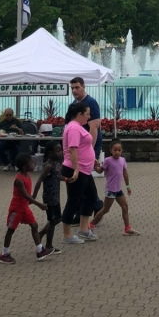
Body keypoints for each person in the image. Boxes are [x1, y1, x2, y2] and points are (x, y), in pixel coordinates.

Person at [0, 154, 53, 264]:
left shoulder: (27, 175)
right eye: (31, 163)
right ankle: (4, 254)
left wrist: (32, 198)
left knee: (34, 225)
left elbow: (28, 196)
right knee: (11, 230)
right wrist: (38, 204)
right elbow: (25, 196)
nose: (34, 165)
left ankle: (39, 250)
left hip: (25, 208)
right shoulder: (19, 180)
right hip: (16, 209)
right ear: (24, 167)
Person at [61, 102, 100, 245]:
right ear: (79, 114)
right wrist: (76, 169)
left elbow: (83, 147)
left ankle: (84, 229)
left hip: (85, 169)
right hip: (76, 170)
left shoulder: (78, 127)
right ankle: (67, 234)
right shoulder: (73, 128)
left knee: (91, 197)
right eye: (87, 114)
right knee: (74, 200)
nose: (89, 117)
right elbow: (72, 149)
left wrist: (92, 158)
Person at [89, 141, 138, 235]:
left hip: (118, 189)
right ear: (111, 150)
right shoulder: (108, 160)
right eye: (115, 150)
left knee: (125, 207)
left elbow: (125, 173)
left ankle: (127, 228)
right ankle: (91, 225)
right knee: (105, 209)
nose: (117, 152)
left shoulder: (122, 160)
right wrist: (96, 166)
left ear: (122, 150)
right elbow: (100, 171)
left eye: (119, 150)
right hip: (110, 190)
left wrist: (128, 186)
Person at [33, 141, 63, 252]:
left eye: (61, 150)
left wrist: (66, 179)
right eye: (58, 151)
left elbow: (57, 176)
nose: (60, 153)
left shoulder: (57, 163)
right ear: (50, 153)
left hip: (56, 196)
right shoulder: (49, 165)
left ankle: (41, 233)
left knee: (58, 219)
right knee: (52, 221)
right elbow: (39, 180)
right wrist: (34, 196)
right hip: (50, 197)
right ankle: (49, 245)